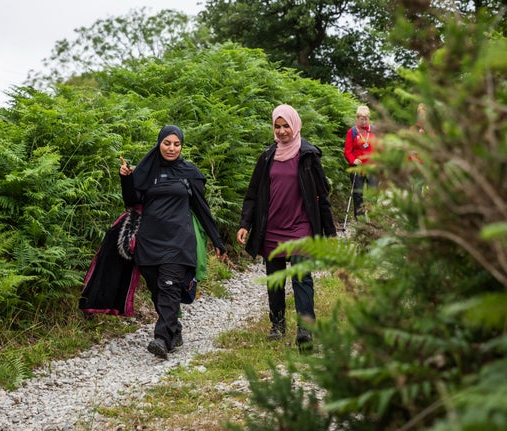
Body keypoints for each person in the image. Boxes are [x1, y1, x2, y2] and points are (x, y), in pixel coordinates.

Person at [120, 125, 227, 359]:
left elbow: (202, 209)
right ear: (159, 143)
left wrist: (218, 242)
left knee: (169, 286)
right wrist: (126, 179)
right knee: (158, 289)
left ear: (182, 146)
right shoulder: (147, 172)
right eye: (167, 143)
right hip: (149, 240)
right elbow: (131, 200)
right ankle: (174, 330)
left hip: (179, 240)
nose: (171, 148)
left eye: (176, 144)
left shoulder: (189, 173)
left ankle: (162, 338)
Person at [236, 104, 337, 349]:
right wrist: (245, 224)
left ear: (295, 125)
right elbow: (253, 194)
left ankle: (305, 329)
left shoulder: (308, 156)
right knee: (275, 279)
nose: (282, 131)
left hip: (300, 227)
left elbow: (322, 196)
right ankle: (278, 324)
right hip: (271, 228)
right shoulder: (268, 156)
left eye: (286, 126)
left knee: (302, 277)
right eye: (277, 126)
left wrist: (330, 232)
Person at [344, 105, 379, 219]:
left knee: (372, 194)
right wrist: (353, 160)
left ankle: (373, 219)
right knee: (358, 194)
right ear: (357, 118)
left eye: (366, 119)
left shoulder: (374, 131)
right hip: (357, 168)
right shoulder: (352, 132)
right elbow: (347, 151)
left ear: (369, 118)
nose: (364, 121)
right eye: (361, 119)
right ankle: (360, 219)